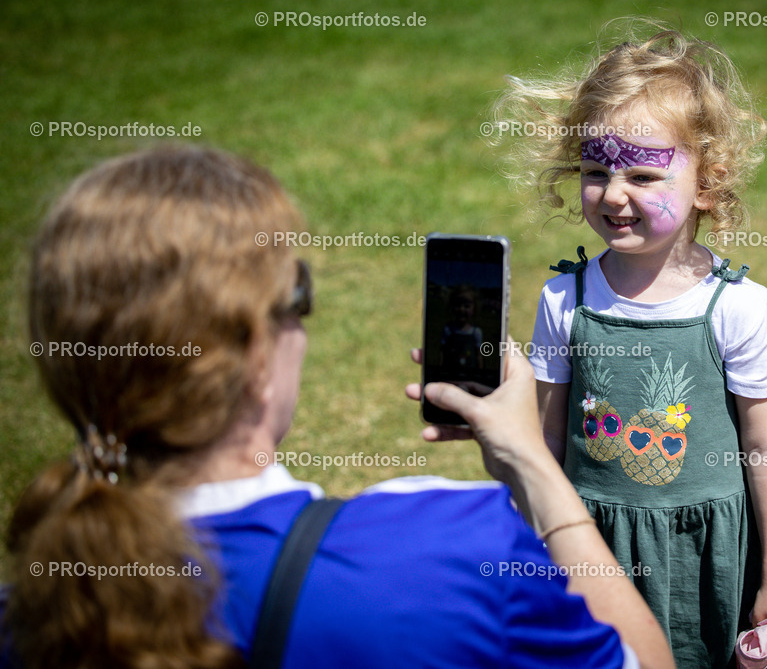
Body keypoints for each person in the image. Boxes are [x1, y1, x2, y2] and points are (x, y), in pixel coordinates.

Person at [1, 146, 674, 669]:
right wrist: (533, 462)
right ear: (256, 355)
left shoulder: (36, 606)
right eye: (299, 295)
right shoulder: (455, 548)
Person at [493, 20, 767, 667]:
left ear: (707, 184)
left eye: (642, 174)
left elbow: (766, 444)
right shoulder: (566, 300)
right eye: (594, 170)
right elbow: (547, 437)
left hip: (706, 555)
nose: (613, 194)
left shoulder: (741, 308)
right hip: (592, 546)